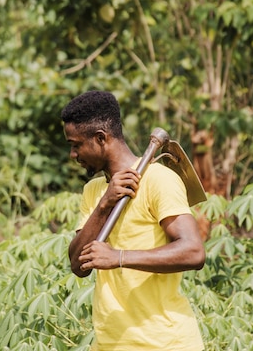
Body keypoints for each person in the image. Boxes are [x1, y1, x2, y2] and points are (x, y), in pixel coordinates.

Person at [61, 90, 206, 350]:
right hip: (110, 343)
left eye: (76, 144)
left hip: (164, 342)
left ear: (101, 138)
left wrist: (119, 258)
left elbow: (193, 252)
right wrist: (105, 203)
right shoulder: (94, 192)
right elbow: (78, 265)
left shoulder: (158, 179)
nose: (73, 154)